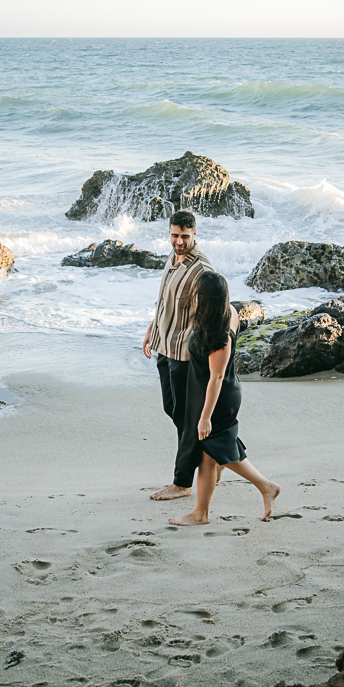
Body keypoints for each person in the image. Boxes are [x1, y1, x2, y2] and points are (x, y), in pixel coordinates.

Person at [168, 270, 280, 526]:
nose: (193, 297)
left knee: (211, 448)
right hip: (218, 393)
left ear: (204, 299)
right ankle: (263, 489)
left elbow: (216, 378)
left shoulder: (219, 337)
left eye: (197, 294)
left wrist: (205, 417)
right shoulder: (227, 312)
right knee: (212, 453)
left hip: (219, 397)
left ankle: (202, 513)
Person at [143, 210, 213, 501]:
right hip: (163, 345)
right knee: (173, 409)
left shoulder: (203, 270)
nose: (179, 241)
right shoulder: (171, 259)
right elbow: (163, 303)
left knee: (187, 419)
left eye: (185, 236)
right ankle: (216, 450)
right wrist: (150, 331)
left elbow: (212, 314)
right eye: (174, 235)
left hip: (184, 353)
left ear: (194, 234)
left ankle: (182, 482)